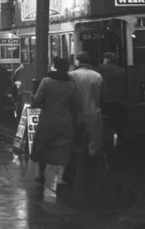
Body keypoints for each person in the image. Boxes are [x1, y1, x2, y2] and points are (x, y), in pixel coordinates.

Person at [29, 57, 81, 190]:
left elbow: (37, 99)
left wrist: (34, 101)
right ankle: (60, 179)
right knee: (64, 148)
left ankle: (41, 174)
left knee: (44, 145)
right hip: (65, 120)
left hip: (47, 118)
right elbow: (76, 103)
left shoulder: (47, 81)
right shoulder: (70, 84)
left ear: (55, 66)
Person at [69, 51, 104, 185]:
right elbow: (102, 96)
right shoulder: (97, 76)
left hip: (76, 114)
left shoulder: (72, 75)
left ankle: (75, 173)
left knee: (77, 143)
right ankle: (91, 174)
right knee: (94, 144)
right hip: (94, 112)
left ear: (78, 61)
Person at [97, 51, 128, 155]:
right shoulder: (122, 71)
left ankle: (105, 147)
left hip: (106, 103)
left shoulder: (100, 69)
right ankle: (122, 151)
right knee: (121, 127)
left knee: (104, 125)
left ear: (106, 59)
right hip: (120, 103)